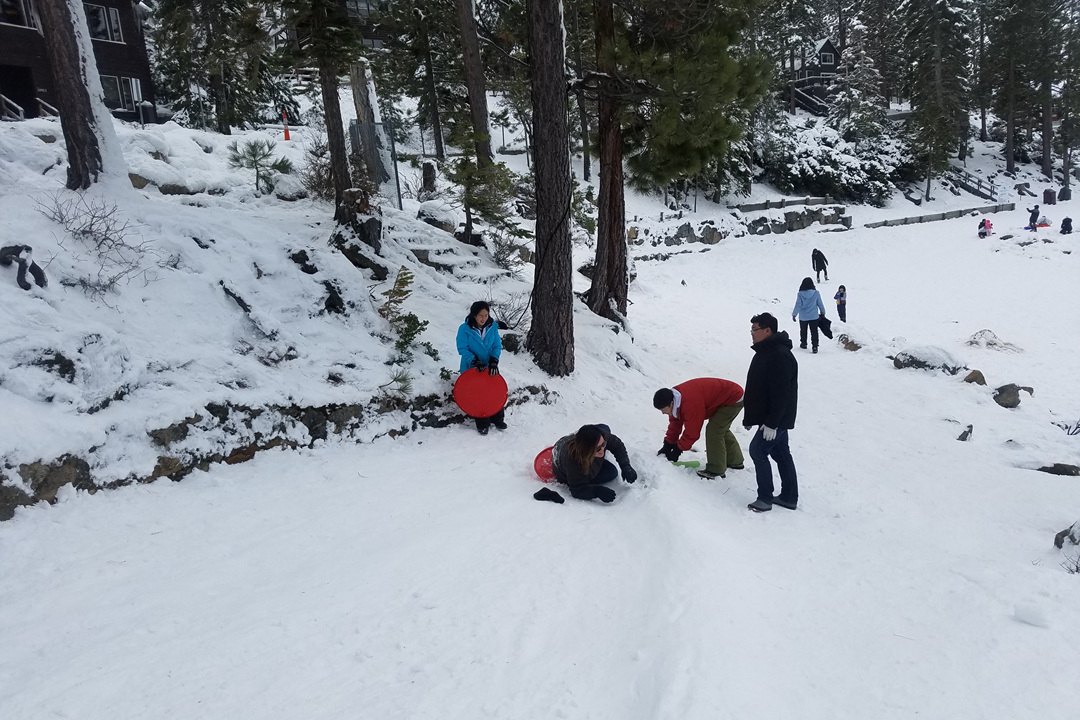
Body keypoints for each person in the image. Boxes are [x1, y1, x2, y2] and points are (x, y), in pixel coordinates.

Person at [743, 313, 799, 513]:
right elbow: (759, 387)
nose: (752, 333)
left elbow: (781, 392)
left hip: (776, 419)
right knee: (781, 453)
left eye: (755, 329)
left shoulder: (779, 354)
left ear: (767, 330)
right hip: (771, 417)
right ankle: (789, 497)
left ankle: (765, 498)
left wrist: (772, 423)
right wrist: (751, 416)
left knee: (757, 451)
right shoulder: (766, 351)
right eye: (751, 330)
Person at [653, 379, 745, 479]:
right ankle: (735, 460)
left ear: (671, 403)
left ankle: (716, 469)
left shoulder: (689, 403)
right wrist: (668, 445)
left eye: (663, 409)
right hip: (724, 396)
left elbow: (692, 433)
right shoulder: (675, 400)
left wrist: (677, 450)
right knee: (720, 427)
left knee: (715, 430)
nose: (662, 413)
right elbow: (675, 423)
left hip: (733, 398)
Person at [456, 300, 506, 434]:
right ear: (474, 315)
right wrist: (474, 360)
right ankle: (482, 423)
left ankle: (497, 418)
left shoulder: (492, 327)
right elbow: (462, 348)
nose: (483, 318)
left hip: (489, 367)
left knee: (494, 391)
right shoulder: (464, 329)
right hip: (472, 368)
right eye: (480, 316)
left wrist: (494, 360)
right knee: (478, 394)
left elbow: (497, 345)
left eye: (486, 315)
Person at [552, 424, 636, 502]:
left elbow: (617, 445)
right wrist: (596, 491)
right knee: (611, 472)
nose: (603, 450)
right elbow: (577, 490)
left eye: (604, 444)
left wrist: (625, 465)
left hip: (568, 442)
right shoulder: (574, 462)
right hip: (564, 464)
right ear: (586, 450)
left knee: (604, 428)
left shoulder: (601, 437)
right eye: (598, 449)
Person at [792, 277, 826, 353]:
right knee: (814, 331)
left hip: (803, 317)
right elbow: (820, 304)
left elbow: (798, 305)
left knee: (803, 330)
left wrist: (794, 314)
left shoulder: (800, 294)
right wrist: (823, 312)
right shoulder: (816, 293)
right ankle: (815, 346)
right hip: (814, 316)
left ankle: (803, 343)